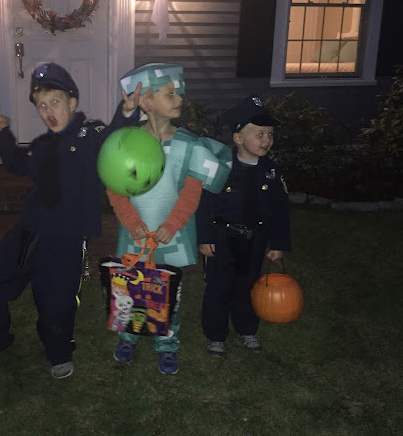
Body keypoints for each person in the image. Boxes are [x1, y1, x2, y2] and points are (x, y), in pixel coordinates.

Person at [0, 62, 142, 379]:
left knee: (58, 300)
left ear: (72, 102)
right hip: (28, 231)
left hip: (66, 239)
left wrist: (127, 112)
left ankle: (59, 351)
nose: (48, 110)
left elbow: (113, 140)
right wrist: (1, 133)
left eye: (55, 102)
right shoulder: (40, 145)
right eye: (42, 105)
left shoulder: (91, 134)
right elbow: (17, 164)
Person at [107, 63, 232, 374]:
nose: (179, 99)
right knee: (132, 287)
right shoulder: (127, 142)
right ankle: (129, 335)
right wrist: (130, 220)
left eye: (179, 94)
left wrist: (172, 225)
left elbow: (191, 193)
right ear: (147, 101)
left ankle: (166, 341)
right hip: (135, 233)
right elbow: (115, 187)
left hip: (172, 235)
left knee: (168, 293)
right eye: (170, 93)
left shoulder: (189, 145)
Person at [196, 94, 291, 355]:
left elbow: (280, 209)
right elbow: (205, 204)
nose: (266, 140)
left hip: (255, 239)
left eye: (270, 134)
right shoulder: (221, 167)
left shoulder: (271, 171)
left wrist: (278, 243)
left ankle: (247, 329)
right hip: (222, 238)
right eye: (259, 134)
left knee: (248, 285)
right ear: (238, 138)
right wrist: (205, 237)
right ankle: (216, 335)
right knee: (218, 287)